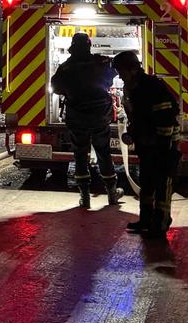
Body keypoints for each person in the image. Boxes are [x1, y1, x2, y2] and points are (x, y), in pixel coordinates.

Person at [112, 50, 180, 238]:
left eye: (121, 71)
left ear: (132, 69)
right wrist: (133, 134)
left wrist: (162, 146)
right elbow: (140, 118)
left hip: (163, 144)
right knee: (147, 182)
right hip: (147, 144)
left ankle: (160, 224)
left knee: (162, 184)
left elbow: (166, 116)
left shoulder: (151, 86)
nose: (120, 76)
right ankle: (146, 220)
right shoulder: (133, 88)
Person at [50, 33, 121, 209]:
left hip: (77, 118)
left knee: (80, 156)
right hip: (99, 117)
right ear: (89, 46)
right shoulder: (100, 62)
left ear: (73, 47)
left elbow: (55, 87)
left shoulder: (66, 67)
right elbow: (113, 74)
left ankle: (85, 197)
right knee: (103, 153)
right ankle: (112, 193)